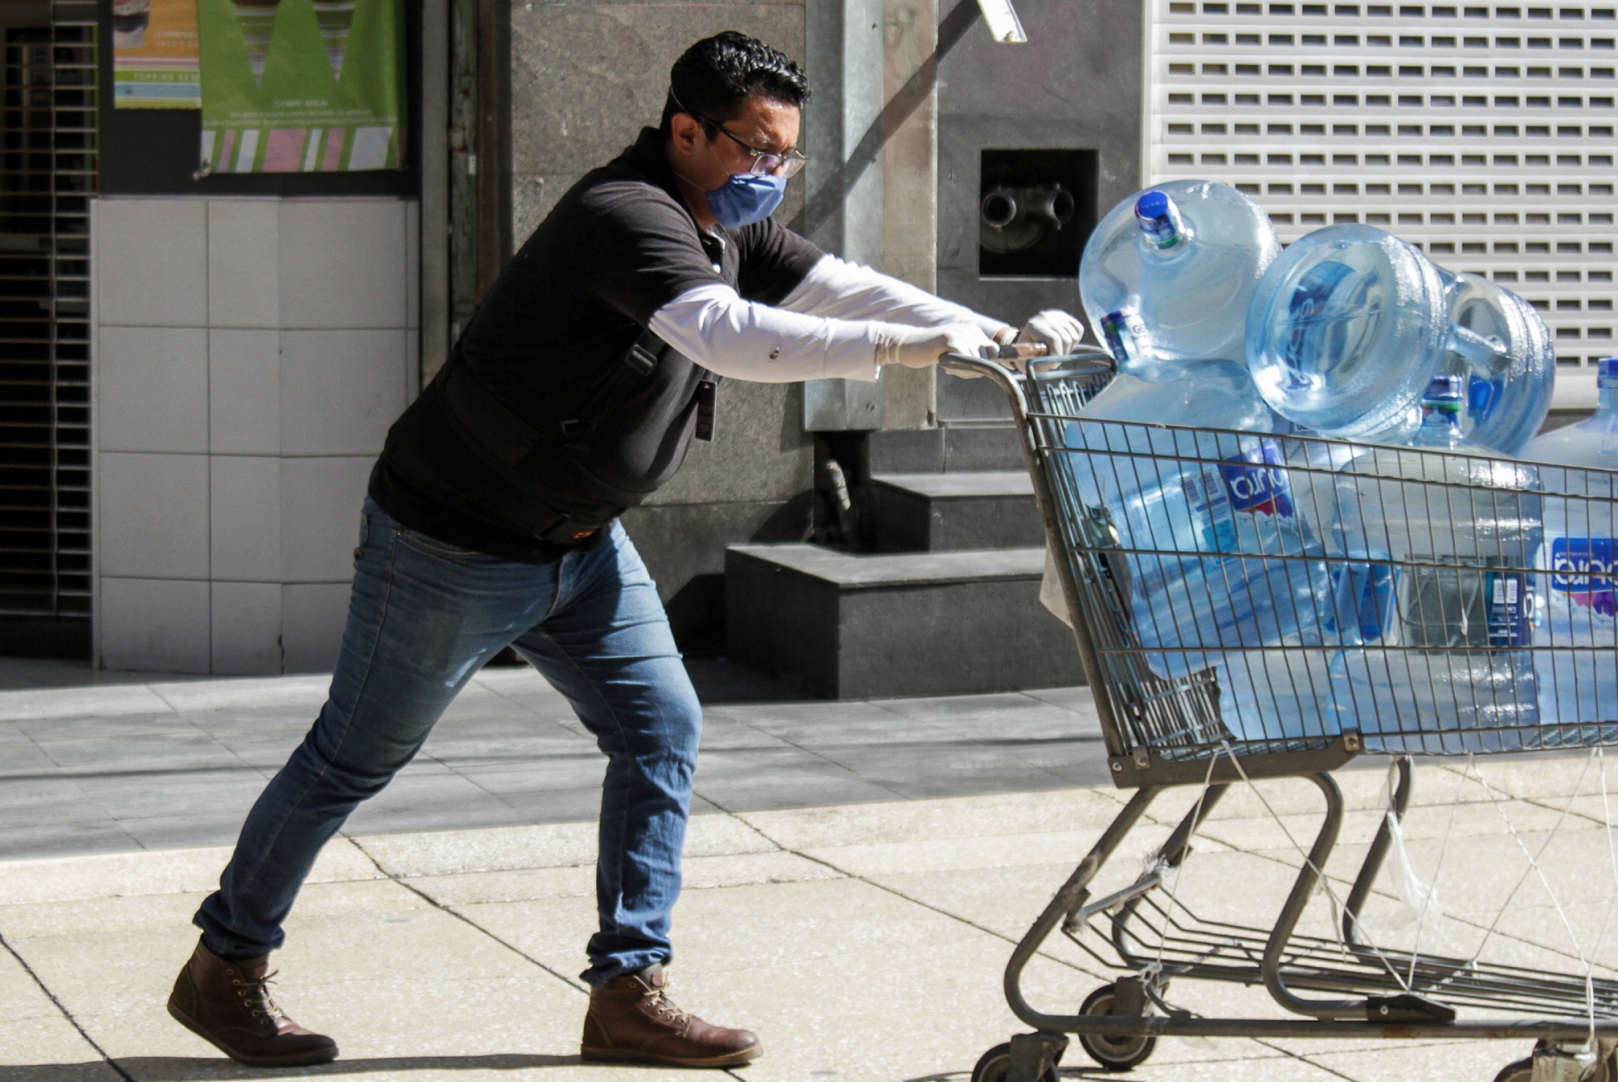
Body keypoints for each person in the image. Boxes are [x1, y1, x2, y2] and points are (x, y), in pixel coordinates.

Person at [164, 30, 1083, 1071]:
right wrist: (908, 350)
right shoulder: (626, 215)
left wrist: (988, 335)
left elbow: (844, 288)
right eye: (754, 150)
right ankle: (224, 966)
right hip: (451, 542)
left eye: (786, 155)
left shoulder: (729, 220)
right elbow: (733, 337)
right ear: (685, 129)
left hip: (583, 546)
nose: (770, 175)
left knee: (661, 728)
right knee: (353, 758)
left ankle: (626, 990)